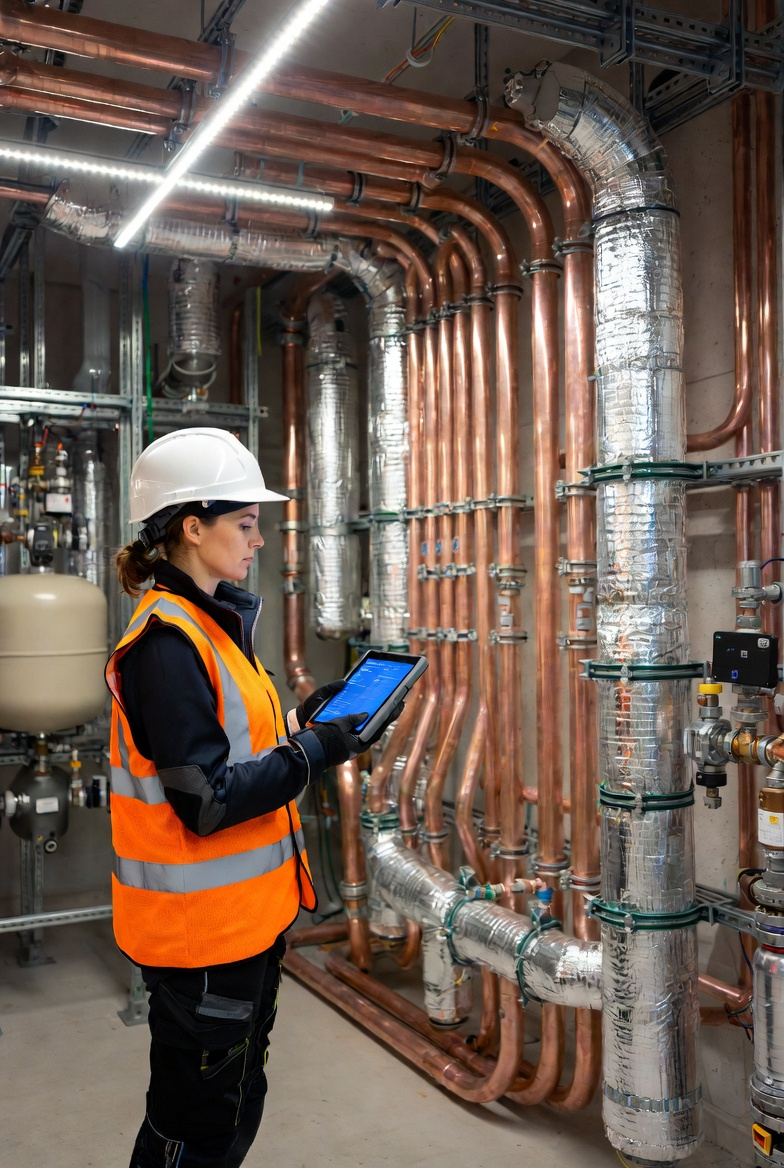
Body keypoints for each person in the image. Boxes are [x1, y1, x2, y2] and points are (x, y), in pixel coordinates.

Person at [106, 427, 400, 1168]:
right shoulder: (166, 646)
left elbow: (236, 745)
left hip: (243, 929)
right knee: (195, 1127)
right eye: (244, 524)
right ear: (191, 527)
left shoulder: (210, 625)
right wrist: (322, 749)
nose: (258, 541)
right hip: (200, 940)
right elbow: (205, 801)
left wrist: (310, 716)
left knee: (229, 1105)